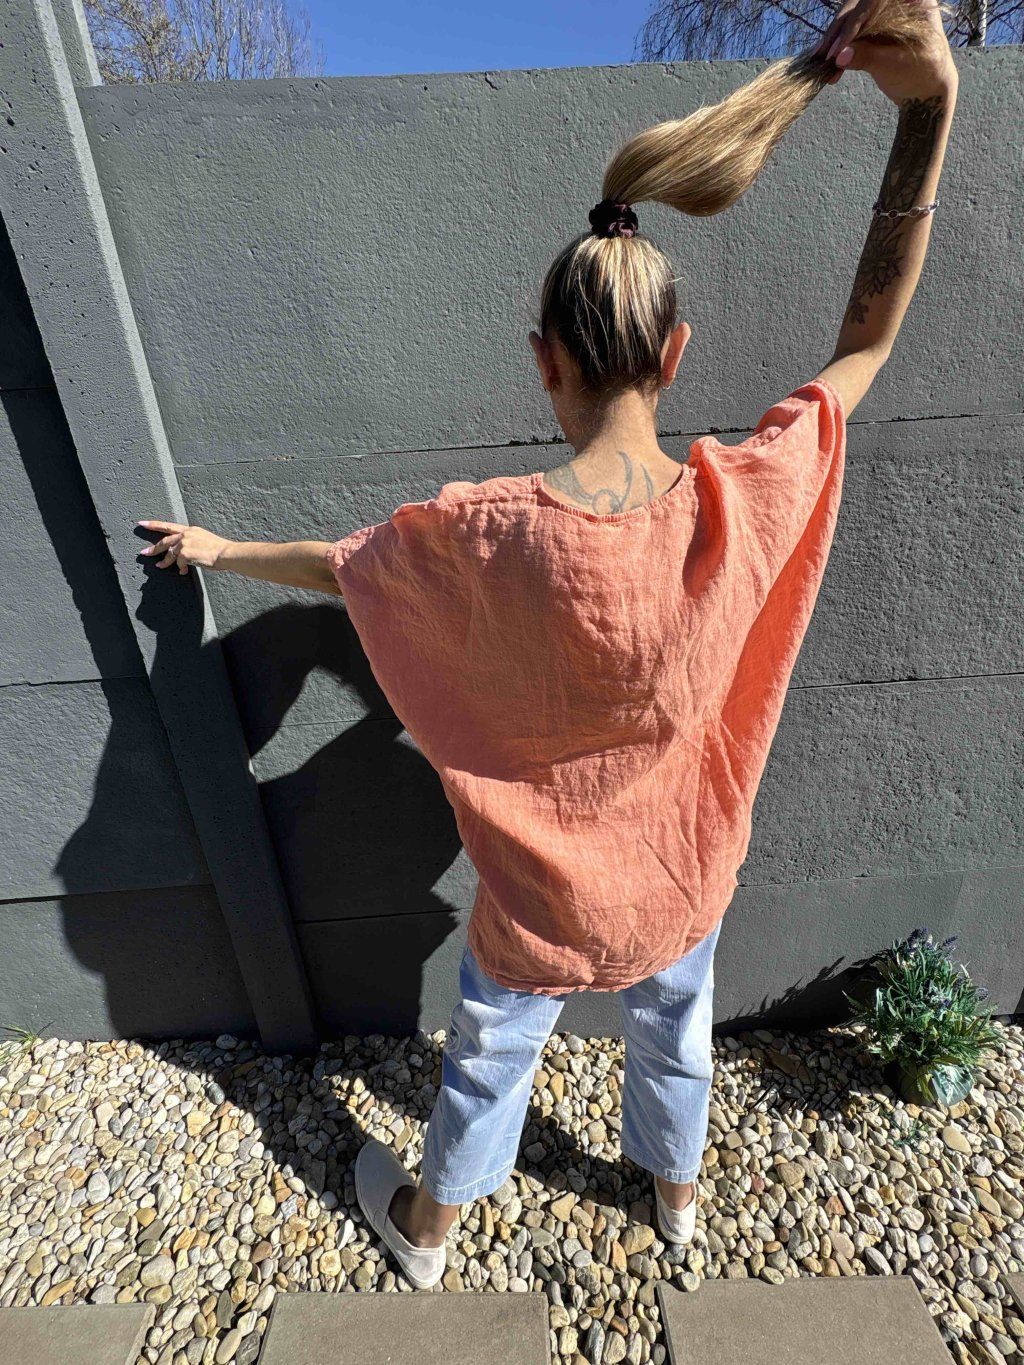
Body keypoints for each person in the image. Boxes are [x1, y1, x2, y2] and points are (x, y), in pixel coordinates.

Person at [137, 0, 958, 1292]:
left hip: (537, 906)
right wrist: (928, 114)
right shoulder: (740, 501)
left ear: (543, 363)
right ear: (675, 352)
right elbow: (867, 344)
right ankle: (676, 1199)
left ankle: (427, 1233)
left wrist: (219, 548)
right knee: (677, 1035)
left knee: (488, 1057)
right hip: (680, 884)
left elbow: (342, 568)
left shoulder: (479, 533)